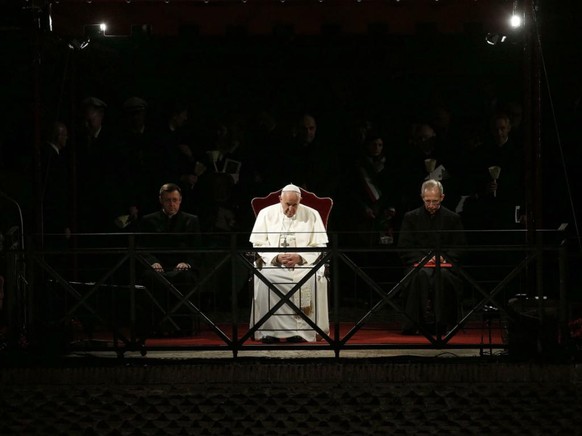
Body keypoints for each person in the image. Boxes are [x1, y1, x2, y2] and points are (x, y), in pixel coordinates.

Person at [249, 183, 329, 343]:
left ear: (300, 201)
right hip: (273, 264)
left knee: (308, 279)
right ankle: (269, 331)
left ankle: (300, 331)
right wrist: (276, 257)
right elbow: (258, 244)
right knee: (267, 279)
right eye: (287, 205)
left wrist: (300, 257)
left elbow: (319, 245)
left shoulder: (312, 214)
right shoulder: (266, 214)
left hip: (303, 265)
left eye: (295, 205)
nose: (290, 210)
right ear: (280, 199)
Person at [397, 179, 466, 336]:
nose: (431, 205)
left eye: (435, 201)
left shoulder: (452, 218)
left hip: (444, 266)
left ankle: (442, 324)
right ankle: (414, 323)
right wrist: (424, 259)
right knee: (419, 275)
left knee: (443, 277)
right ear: (422, 197)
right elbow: (404, 246)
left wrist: (442, 258)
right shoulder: (411, 217)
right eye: (427, 201)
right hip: (419, 264)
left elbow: (460, 247)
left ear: (442, 197)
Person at [137, 183, 201, 336]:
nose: (171, 204)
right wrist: (152, 262)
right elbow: (142, 247)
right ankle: (156, 327)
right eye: (168, 200)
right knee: (149, 278)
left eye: (174, 200)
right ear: (161, 200)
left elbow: (198, 249)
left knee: (185, 278)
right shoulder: (148, 220)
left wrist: (187, 263)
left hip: (181, 267)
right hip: (157, 267)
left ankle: (183, 327)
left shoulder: (191, 220)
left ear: (180, 201)